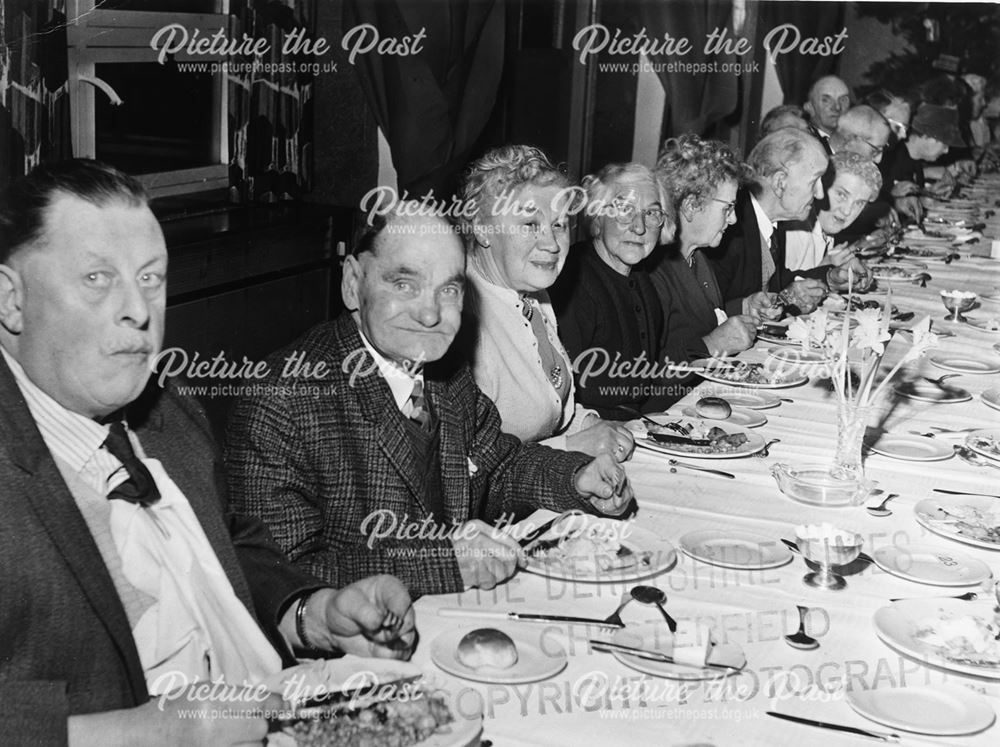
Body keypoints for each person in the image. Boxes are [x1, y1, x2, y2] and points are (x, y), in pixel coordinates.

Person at [0, 160, 417, 745]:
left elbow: (229, 542)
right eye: (97, 278)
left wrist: (315, 615)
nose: (139, 311)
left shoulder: (166, 407)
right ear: (10, 298)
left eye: (150, 278)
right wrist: (148, 733)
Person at [226, 208, 633, 600]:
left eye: (449, 290)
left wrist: (574, 478)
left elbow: (499, 470)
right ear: (352, 283)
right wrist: (439, 562)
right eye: (404, 285)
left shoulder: (445, 375)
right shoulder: (282, 398)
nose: (429, 314)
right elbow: (278, 575)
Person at [456, 145, 634, 458]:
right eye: (529, 225)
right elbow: (464, 466)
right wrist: (571, 447)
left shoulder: (532, 294)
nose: (551, 244)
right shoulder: (458, 319)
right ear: (483, 229)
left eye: (559, 224)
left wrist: (588, 423)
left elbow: (551, 413)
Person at [549, 162, 684, 418]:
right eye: (624, 210)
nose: (639, 227)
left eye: (652, 213)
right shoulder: (572, 282)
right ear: (598, 215)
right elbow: (562, 398)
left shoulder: (643, 281)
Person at [647, 134, 758, 359]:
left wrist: (743, 307)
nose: (734, 219)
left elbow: (703, 317)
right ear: (691, 206)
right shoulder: (651, 270)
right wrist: (709, 345)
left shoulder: (697, 257)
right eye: (727, 208)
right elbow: (643, 369)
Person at [783, 151, 881, 285]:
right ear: (821, 187)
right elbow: (777, 293)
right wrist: (826, 268)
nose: (847, 211)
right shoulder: (794, 230)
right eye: (841, 195)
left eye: (859, 203)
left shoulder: (825, 229)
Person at [803, 75, 851, 140]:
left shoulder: (854, 141)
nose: (837, 107)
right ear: (810, 107)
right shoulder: (801, 141)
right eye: (826, 100)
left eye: (843, 100)